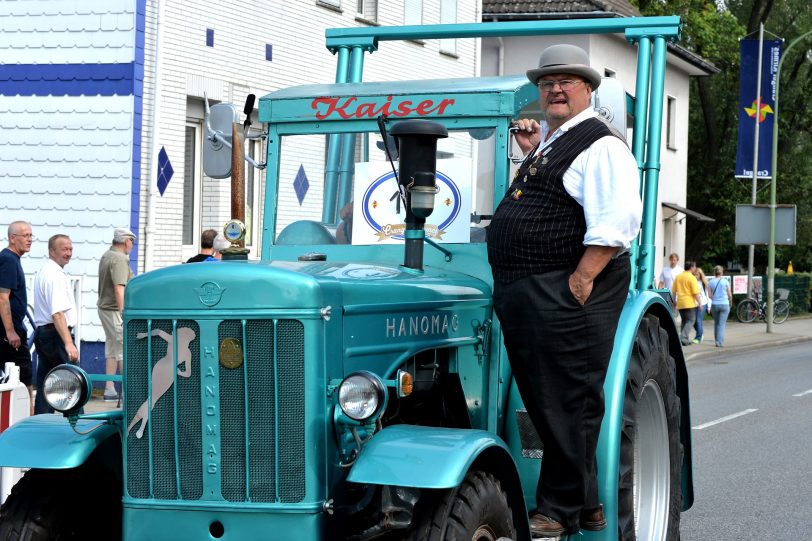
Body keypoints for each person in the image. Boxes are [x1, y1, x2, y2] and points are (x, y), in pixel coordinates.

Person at [486, 44, 642, 538]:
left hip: (567, 288)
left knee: (566, 400)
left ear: (589, 89)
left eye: (567, 81)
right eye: (547, 82)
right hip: (533, 289)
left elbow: (617, 221)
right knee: (549, 399)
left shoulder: (601, 144)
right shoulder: (557, 140)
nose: (555, 88)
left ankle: (556, 510)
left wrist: (581, 278)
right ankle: (589, 503)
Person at [33, 234, 79, 414]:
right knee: (75, 382)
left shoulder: (45, 271)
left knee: (46, 382)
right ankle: (77, 425)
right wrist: (68, 343)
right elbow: (58, 313)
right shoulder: (54, 276)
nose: (68, 253)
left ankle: (40, 423)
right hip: (56, 334)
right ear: (51, 251)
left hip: (44, 333)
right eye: (64, 249)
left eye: (70, 249)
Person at [98, 228, 135, 401]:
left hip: (105, 308)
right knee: (122, 350)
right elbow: (119, 288)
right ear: (127, 241)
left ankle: (110, 388)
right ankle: (128, 390)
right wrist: (124, 312)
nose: (132, 246)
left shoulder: (107, 255)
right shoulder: (120, 259)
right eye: (132, 242)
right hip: (114, 309)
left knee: (112, 349)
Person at [0, 221, 34, 412]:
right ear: (12, 238)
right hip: (9, 335)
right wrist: (11, 331)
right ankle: (27, 424)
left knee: (20, 379)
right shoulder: (8, 260)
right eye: (25, 235)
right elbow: (3, 297)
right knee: (24, 380)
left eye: (31, 236)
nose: (29, 240)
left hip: (12, 331)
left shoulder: (13, 260)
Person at [672, 261, 700, 346]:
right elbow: (695, 293)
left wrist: (674, 301)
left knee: (684, 321)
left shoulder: (678, 277)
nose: (695, 268)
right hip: (689, 303)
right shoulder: (691, 278)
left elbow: (674, 291)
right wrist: (700, 303)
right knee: (691, 320)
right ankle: (683, 337)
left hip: (680, 303)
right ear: (691, 267)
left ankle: (685, 340)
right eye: (694, 267)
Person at [707, 265, 733, 347]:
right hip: (725, 304)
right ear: (721, 272)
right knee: (722, 324)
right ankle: (719, 342)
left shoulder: (710, 282)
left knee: (717, 323)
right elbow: (729, 294)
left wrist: (715, 298)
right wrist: (730, 302)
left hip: (715, 305)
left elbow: (709, 295)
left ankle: (717, 340)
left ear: (714, 272)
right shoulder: (725, 281)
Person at [692, 266, 709, 344]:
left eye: (697, 274)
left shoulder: (703, 283)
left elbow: (707, 294)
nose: (696, 276)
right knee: (693, 321)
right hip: (693, 304)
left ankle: (698, 337)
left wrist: (709, 306)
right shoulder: (691, 282)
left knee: (698, 321)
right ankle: (701, 333)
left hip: (703, 303)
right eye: (695, 274)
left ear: (700, 275)